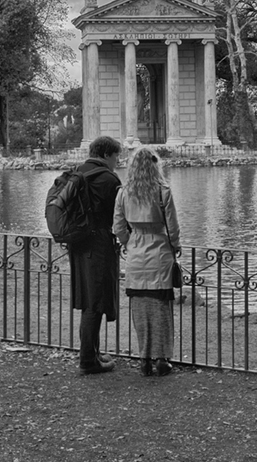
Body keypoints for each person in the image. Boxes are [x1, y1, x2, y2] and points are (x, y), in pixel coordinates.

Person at [113, 147, 181, 376]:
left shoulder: (123, 192)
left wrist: (129, 243)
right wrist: (176, 246)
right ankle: (162, 358)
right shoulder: (163, 191)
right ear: (155, 166)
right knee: (161, 308)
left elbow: (118, 228)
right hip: (160, 251)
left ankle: (144, 357)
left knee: (140, 308)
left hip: (135, 252)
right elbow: (172, 227)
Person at [71, 135, 123, 374]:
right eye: (115, 157)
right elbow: (120, 215)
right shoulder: (108, 179)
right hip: (99, 244)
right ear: (105, 155)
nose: (117, 162)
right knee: (96, 302)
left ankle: (92, 351)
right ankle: (88, 361)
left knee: (88, 301)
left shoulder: (77, 172)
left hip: (79, 244)